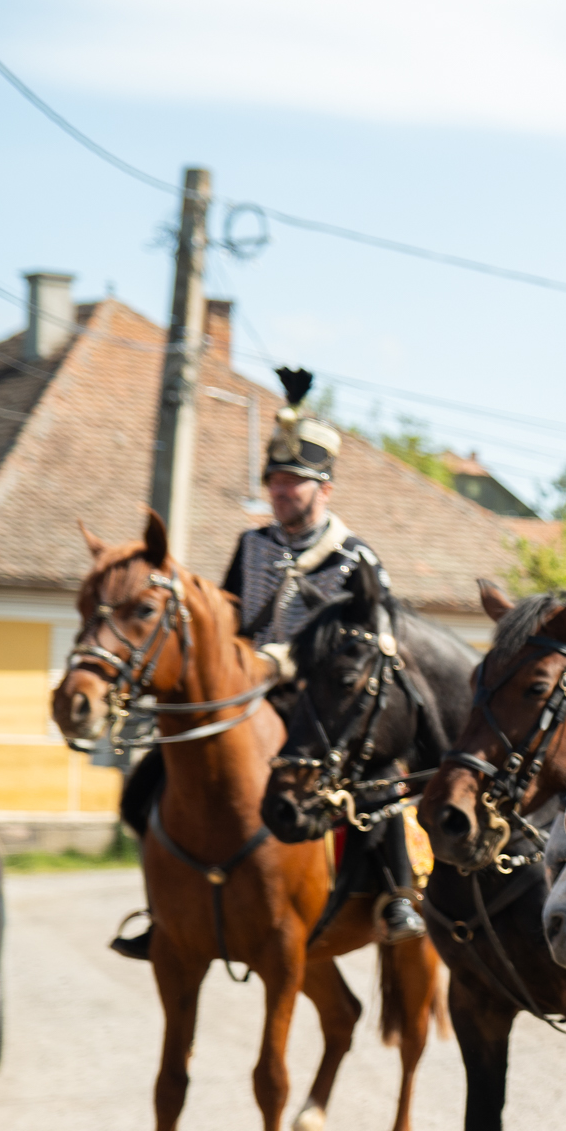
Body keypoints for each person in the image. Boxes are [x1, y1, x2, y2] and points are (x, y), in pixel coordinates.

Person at [113, 367, 422, 960]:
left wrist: (292, 662)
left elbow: (379, 633)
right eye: (276, 483)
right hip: (247, 692)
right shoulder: (253, 545)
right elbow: (230, 614)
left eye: (296, 484)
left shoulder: (356, 557)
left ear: (324, 489)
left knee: (377, 781)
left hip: (326, 700)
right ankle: (168, 910)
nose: (283, 494)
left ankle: (395, 895)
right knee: (149, 782)